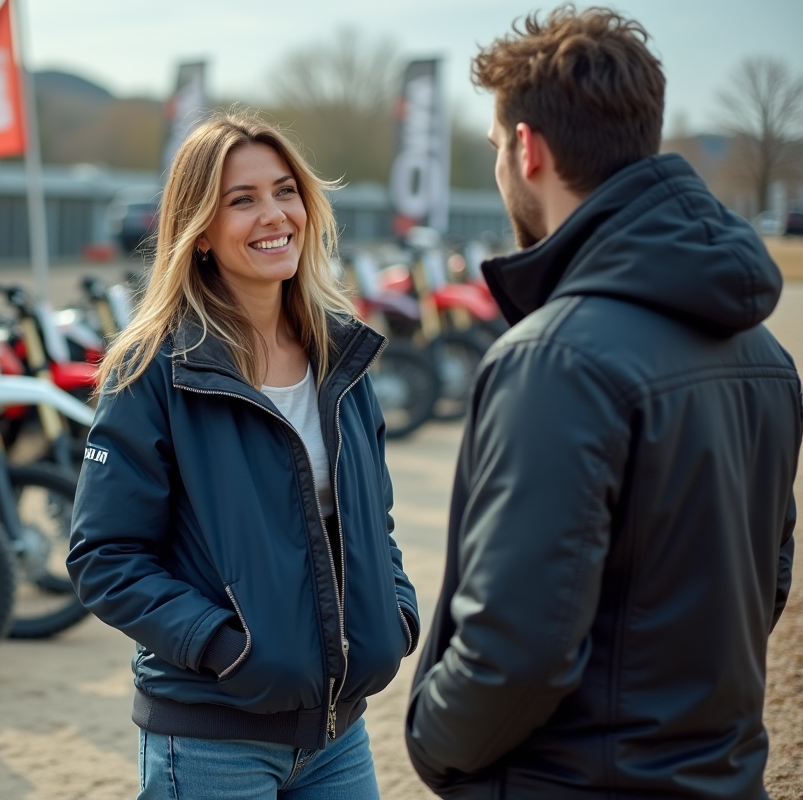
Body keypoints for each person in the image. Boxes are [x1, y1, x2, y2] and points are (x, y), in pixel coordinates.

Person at [405, 6, 801, 799]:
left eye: (493, 149)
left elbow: (515, 650)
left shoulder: (555, 358)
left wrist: (433, 745)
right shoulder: (765, 352)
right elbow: (770, 578)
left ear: (527, 148)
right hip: (721, 775)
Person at [68, 111, 420, 799]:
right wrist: (227, 648)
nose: (273, 215)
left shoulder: (342, 357)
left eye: (285, 191)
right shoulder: (154, 372)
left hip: (337, 734)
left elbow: (370, 523)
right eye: (243, 199)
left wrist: (392, 613)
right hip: (210, 737)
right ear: (199, 232)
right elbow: (103, 559)